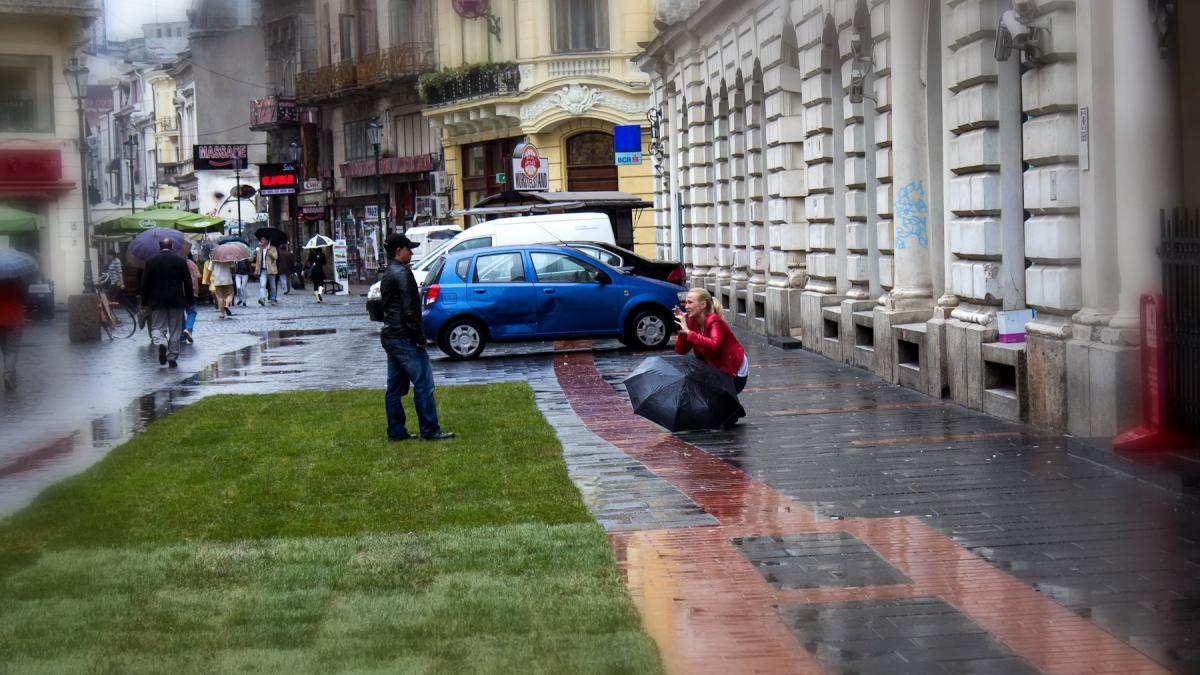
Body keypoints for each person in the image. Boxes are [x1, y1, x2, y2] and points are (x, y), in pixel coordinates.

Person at [379, 232, 453, 442]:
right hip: (405, 337)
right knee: (424, 384)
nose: (411, 253)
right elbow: (410, 310)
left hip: (391, 335)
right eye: (408, 249)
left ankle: (396, 431)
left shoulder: (388, 273)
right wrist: (419, 338)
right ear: (398, 251)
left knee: (394, 388)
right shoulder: (403, 273)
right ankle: (429, 429)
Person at [674, 287, 750, 393]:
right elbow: (681, 350)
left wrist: (688, 332)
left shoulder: (714, 321)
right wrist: (683, 330)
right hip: (714, 367)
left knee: (722, 399)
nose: (686, 306)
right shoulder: (692, 321)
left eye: (690, 302)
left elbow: (714, 344)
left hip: (734, 369)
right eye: (686, 303)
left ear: (703, 305)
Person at [140, 238, 194, 368]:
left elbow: (145, 284)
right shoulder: (180, 261)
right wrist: (189, 300)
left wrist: (144, 301)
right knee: (175, 329)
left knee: (157, 327)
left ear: (159, 247)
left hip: (157, 300)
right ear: (171, 246)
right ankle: (172, 356)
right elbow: (187, 282)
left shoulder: (151, 262)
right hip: (176, 300)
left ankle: (162, 342)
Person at [0, 278, 26, 391]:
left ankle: (12, 379)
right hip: (14, 320)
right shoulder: (17, 281)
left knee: (6, 352)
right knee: (12, 351)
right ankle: (8, 374)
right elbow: (25, 299)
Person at [253, 237, 278, 305]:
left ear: (267, 241)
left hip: (271, 270)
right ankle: (262, 299)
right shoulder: (260, 249)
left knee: (272, 286)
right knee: (262, 285)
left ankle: (273, 299)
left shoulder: (273, 248)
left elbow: (275, 257)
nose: (261, 241)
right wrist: (256, 270)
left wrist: (269, 251)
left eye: (263, 240)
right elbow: (258, 261)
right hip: (263, 270)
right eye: (261, 240)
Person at [182, 253, 200, 344]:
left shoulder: (178, 262)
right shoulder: (192, 264)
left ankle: (182, 335)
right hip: (193, 291)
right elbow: (199, 276)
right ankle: (188, 329)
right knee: (192, 312)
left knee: (180, 313)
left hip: (180, 291)